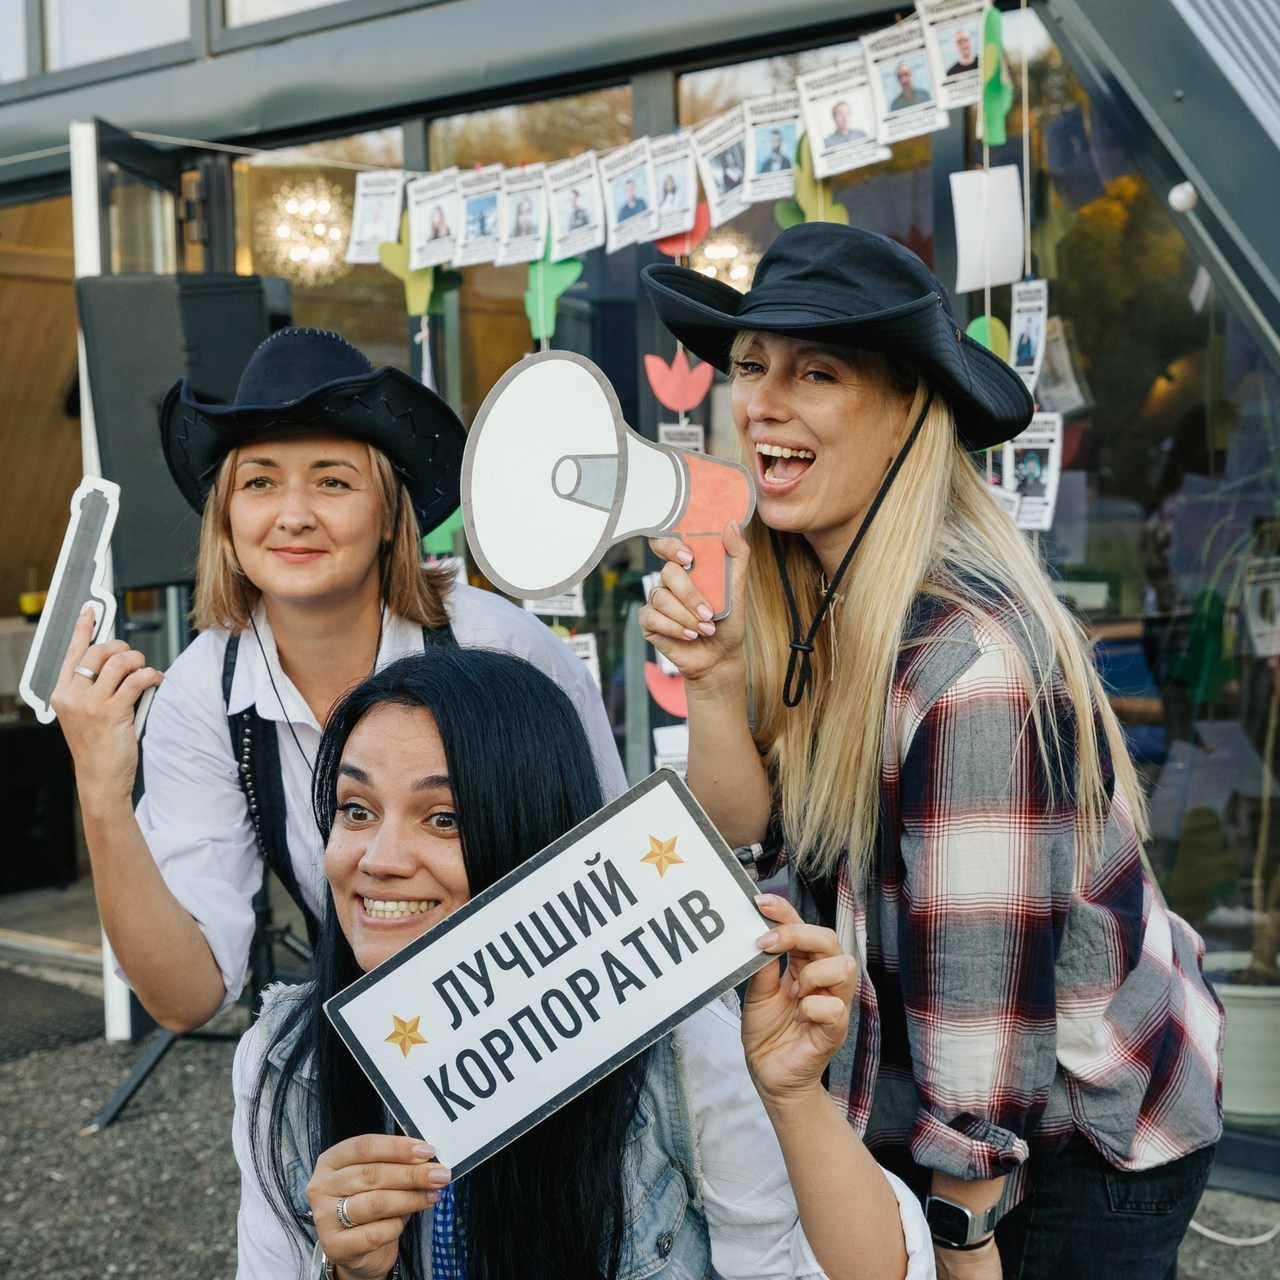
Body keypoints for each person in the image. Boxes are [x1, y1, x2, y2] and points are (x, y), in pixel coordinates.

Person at [638, 223, 1224, 1280]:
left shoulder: (971, 663)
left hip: (1071, 1142)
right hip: (922, 1101)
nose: (762, 402)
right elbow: (751, 833)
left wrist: (962, 1241)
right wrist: (715, 681)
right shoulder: (805, 593)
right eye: (751, 366)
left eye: (816, 372)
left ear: (909, 409)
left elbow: (979, 1011)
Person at [234, 648, 934, 1280]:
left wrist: (795, 1099)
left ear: (531, 830)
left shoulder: (675, 1044)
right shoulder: (283, 1061)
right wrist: (347, 1273)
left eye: (444, 818)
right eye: (356, 810)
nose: (380, 860)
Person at [51, 326, 626, 1035]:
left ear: (388, 515)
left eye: (332, 481)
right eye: (260, 482)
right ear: (226, 519)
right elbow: (186, 996)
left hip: (553, 1015)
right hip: (376, 1036)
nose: (294, 516)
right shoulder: (205, 690)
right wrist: (102, 795)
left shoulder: (499, 647)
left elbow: (609, 885)